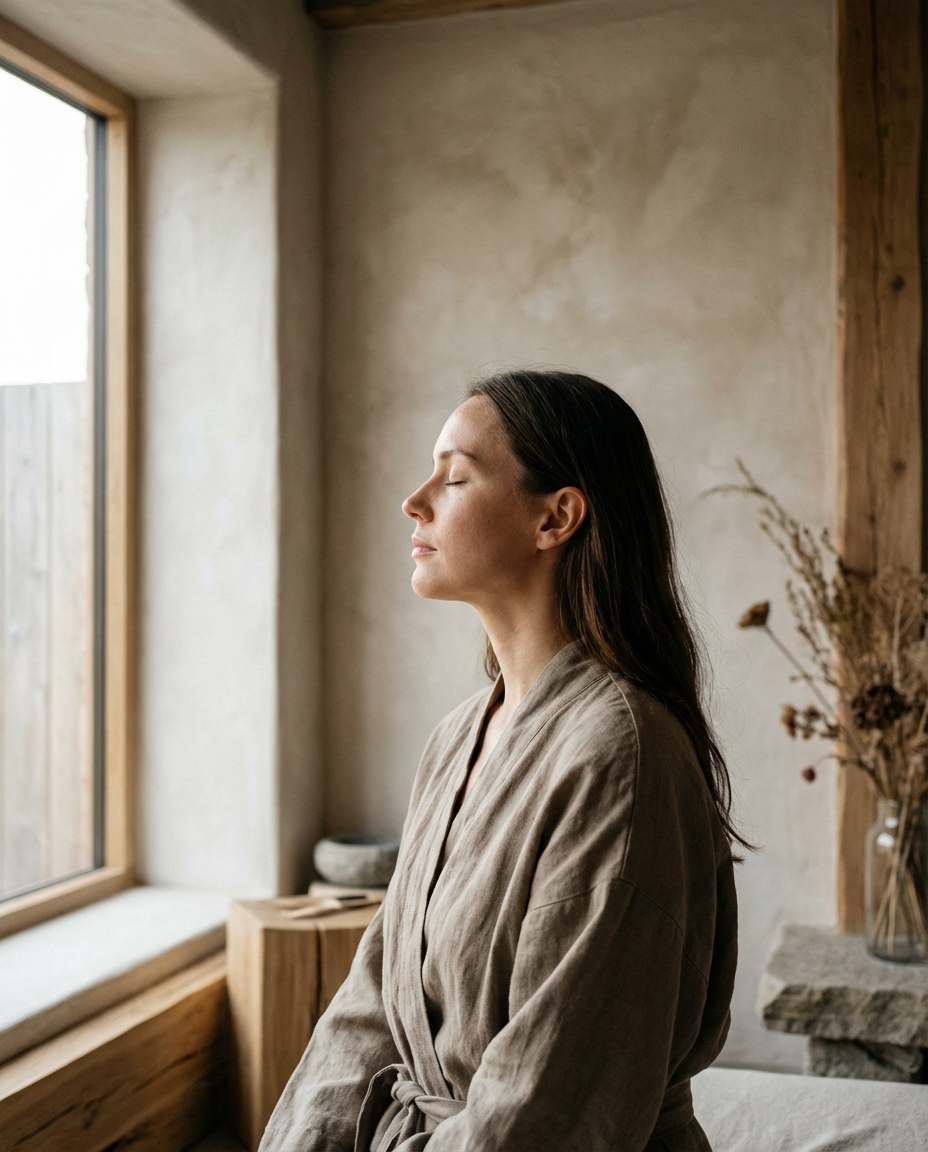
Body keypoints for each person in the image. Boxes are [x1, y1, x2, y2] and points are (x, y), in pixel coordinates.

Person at [260, 369, 742, 1152]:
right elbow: (373, 1001)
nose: (414, 502)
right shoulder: (457, 737)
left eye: (453, 477)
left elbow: (544, 1111)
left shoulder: (621, 757)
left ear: (557, 517)